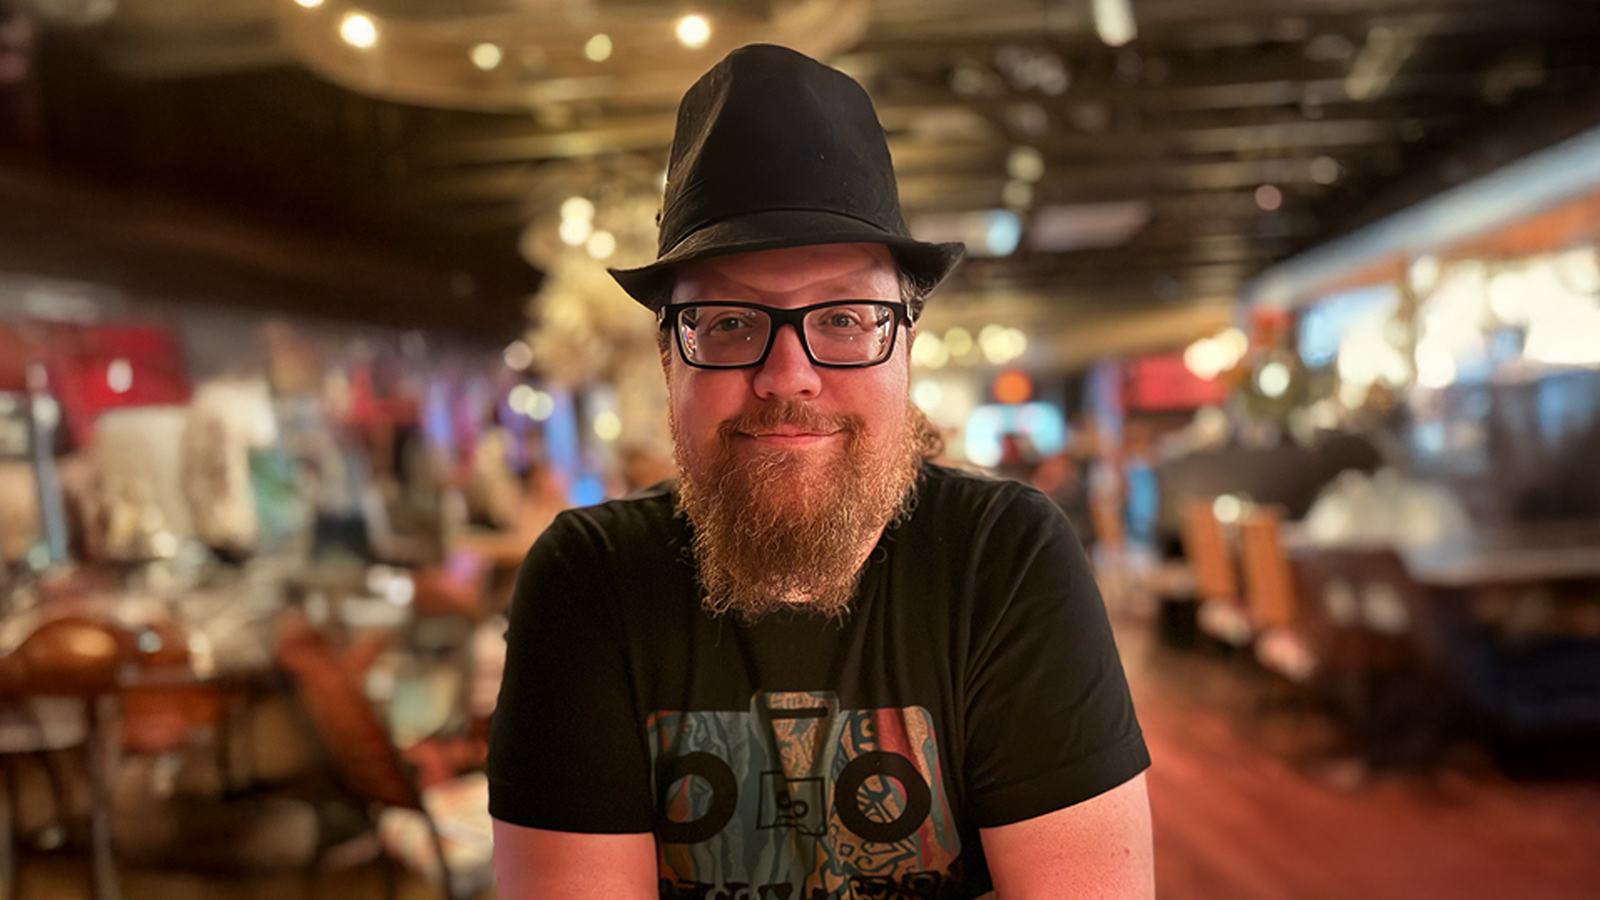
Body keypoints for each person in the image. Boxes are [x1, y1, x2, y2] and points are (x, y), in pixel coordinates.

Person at [489, 44, 1153, 900]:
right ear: (668, 360)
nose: (787, 374)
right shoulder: (588, 581)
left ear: (905, 347)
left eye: (843, 316)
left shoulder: (1004, 559)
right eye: (727, 321)